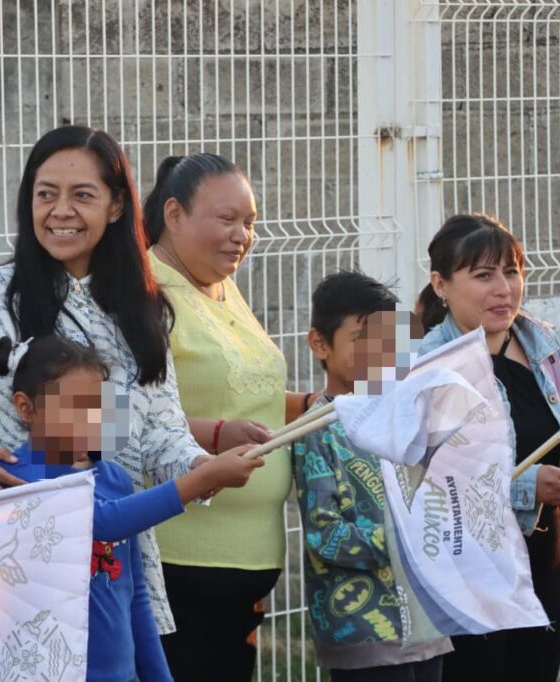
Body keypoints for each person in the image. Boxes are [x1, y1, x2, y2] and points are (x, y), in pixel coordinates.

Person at [0, 125, 211, 635]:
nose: (61, 211)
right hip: (11, 554)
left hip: (110, 561)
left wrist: (201, 464)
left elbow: (156, 429)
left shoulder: (140, 308)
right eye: (46, 195)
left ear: (115, 207)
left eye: (82, 195)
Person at [0, 334, 264, 680]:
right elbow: (102, 522)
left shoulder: (114, 479)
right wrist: (204, 478)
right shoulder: (16, 479)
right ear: (25, 408)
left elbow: (136, 598)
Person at [142, 153, 311, 679]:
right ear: (174, 214)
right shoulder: (143, 292)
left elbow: (243, 385)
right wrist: (214, 434)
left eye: (250, 222)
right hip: (183, 562)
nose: (241, 234)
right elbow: (113, 412)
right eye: (226, 219)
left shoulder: (220, 284)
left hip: (247, 567)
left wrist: (313, 406)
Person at [416, 214, 560, 682]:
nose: (504, 288)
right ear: (441, 284)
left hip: (543, 556)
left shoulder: (541, 342)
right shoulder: (430, 365)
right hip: (470, 568)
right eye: (483, 275)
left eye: (512, 272)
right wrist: (526, 486)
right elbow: (431, 479)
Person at [293, 271, 452, 682]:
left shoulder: (408, 419)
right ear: (319, 343)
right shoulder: (316, 429)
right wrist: (406, 542)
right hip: (363, 635)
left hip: (426, 623)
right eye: (363, 338)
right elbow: (325, 533)